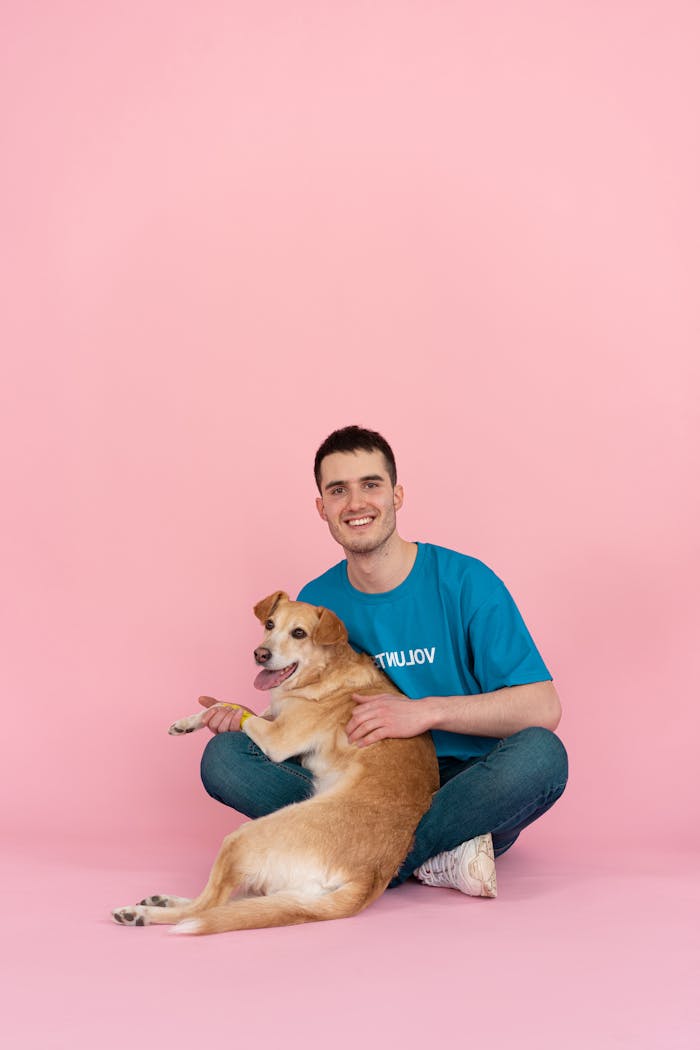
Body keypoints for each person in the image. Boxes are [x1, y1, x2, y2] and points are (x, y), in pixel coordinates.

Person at [200, 426, 568, 897]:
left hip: (467, 788)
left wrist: (426, 711)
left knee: (542, 756)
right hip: (357, 786)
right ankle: (438, 856)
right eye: (338, 490)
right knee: (224, 759)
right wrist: (251, 719)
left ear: (396, 495)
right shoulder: (316, 603)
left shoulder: (466, 581)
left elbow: (543, 707)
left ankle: (372, 860)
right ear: (322, 508)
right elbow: (301, 716)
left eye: (370, 485)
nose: (356, 503)